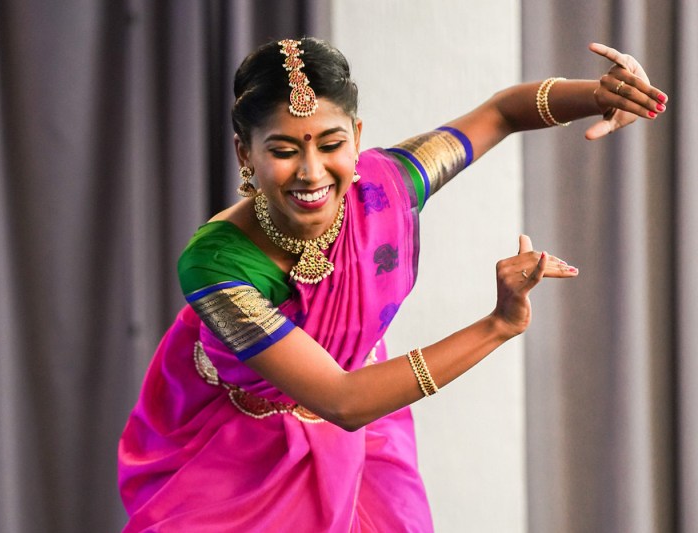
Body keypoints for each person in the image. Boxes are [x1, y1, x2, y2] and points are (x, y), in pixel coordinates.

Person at [117, 38, 667, 532]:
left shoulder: (388, 186)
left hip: (363, 445)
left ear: (357, 138)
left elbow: (501, 113)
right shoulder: (218, 263)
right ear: (245, 153)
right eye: (284, 151)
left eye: (330, 144)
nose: (311, 172)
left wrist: (596, 95)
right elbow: (343, 401)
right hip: (235, 453)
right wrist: (497, 326)